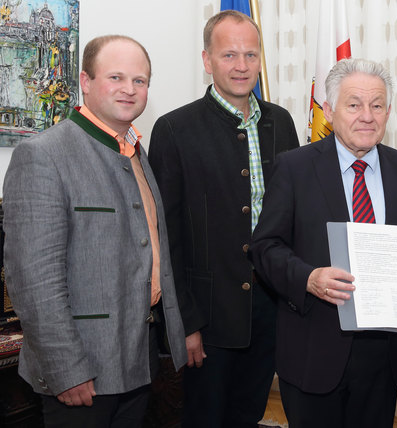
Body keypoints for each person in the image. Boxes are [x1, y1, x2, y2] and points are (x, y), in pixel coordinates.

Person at [2, 35, 187, 428]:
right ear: (85, 81)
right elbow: (33, 282)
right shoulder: (43, 155)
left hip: (136, 364)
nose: (129, 89)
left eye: (140, 80)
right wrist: (65, 369)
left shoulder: (135, 151)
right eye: (116, 77)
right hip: (79, 373)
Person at [248, 58, 397, 428]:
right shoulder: (293, 168)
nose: (367, 115)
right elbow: (264, 247)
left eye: (377, 105)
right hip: (313, 349)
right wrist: (308, 277)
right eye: (354, 104)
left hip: (384, 356)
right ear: (330, 112)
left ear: (389, 111)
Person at [147, 10, 299, 428]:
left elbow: (294, 216)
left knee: (247, 416)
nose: (242, 65)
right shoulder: (174, 129)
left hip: (269, 311)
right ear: (206, 59)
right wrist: (185, 325)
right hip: (208, 320)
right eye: (229, 54)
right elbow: (167, 237)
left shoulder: (280, 122)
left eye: (251, 55)